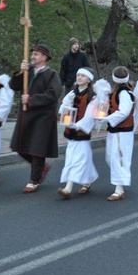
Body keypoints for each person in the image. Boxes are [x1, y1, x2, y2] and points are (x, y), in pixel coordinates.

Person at [9, 44, 63, 194]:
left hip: (43, 116)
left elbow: (53, 94)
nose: (33, 57)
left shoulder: (51, 74)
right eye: (32, 54)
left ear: (44, 58)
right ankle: (41, 169)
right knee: (19, 146)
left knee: (37, 149)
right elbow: (14, 85)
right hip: (27, 115)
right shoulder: (28, 72)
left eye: (36, 54)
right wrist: (21, 72)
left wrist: (32, 99)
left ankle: (34, 180)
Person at [100, 66, 138, 201]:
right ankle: (119, 183)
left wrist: (107, 119)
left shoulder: (125, 93)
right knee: (110, 157)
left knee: (120, 158)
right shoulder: (115, 92)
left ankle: (119, 189)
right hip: (114, 130)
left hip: (123, 131)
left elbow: (124, 112)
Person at [57, 67, 99, 199]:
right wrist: (66, 118)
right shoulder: (71, 94)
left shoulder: (92, 97)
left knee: (77, 160)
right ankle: (87, 182)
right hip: (71, 132)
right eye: (78, 75)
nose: (79, 77)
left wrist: (78, 125)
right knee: (77, 158)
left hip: (81, 133)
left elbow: (89, 116)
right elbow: (64, 109)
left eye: (83, 76)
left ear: (89, 80)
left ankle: (68, 188)